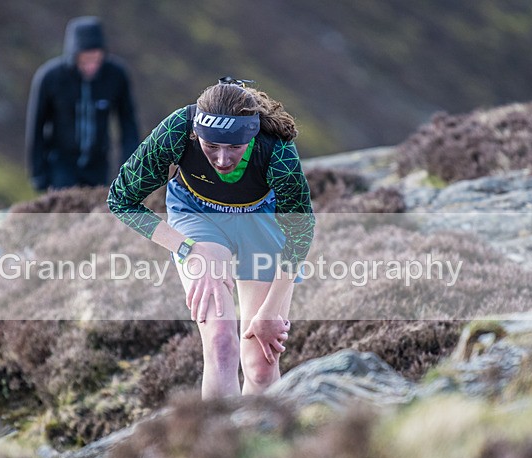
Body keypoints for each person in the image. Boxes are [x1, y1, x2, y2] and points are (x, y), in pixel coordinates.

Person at [108, 77, 315, 398]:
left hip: (259, 218)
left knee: (261, 364)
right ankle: (219, 430)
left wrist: (270, 311)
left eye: (234, 147)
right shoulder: (177, 129)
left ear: (252, 135)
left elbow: (300, 231)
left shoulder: (276, 149)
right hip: (197, 215)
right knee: (220, 343)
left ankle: (262, 429)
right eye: (211, 146)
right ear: (196, 134)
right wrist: (188, 249)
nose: (222, 159)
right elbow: (121, 199)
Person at [26, 16, 140, 191]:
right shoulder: (49, 78)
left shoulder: (116, 76)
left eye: (96, 59)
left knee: (99, 208)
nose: (91, 66)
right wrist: (38, 174)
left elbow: (128, 124)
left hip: (98, 166)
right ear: (74, 55)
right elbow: (36, 127)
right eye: (85, 60)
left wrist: (129, 170)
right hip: (61, 165)